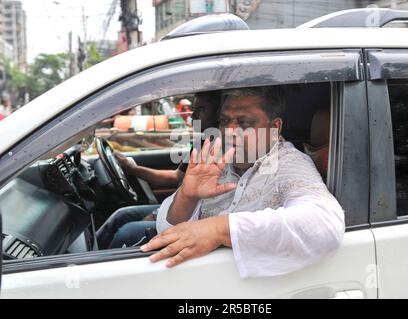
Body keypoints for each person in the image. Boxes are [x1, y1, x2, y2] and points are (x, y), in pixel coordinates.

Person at [140, 86, 345, 278]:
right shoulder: (216, 157)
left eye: (243, 122)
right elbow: (165, 229)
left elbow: (323, 225)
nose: (229, 132)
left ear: (274, 128)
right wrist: (186, 196)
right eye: (223, 121)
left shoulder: (288, 164)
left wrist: (218, 230)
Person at [96, 91, 222, 249]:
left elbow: (185, 187)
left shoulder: (222, 147)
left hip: (196, 215)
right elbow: (177, 176)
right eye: (193, 111)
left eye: (201, 110)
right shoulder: (203, 140)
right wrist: (133, 169)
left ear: (218, 112)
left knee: (127, 232)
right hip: (178, 206)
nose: (192, 117)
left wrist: (157, 214)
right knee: (121, 214)